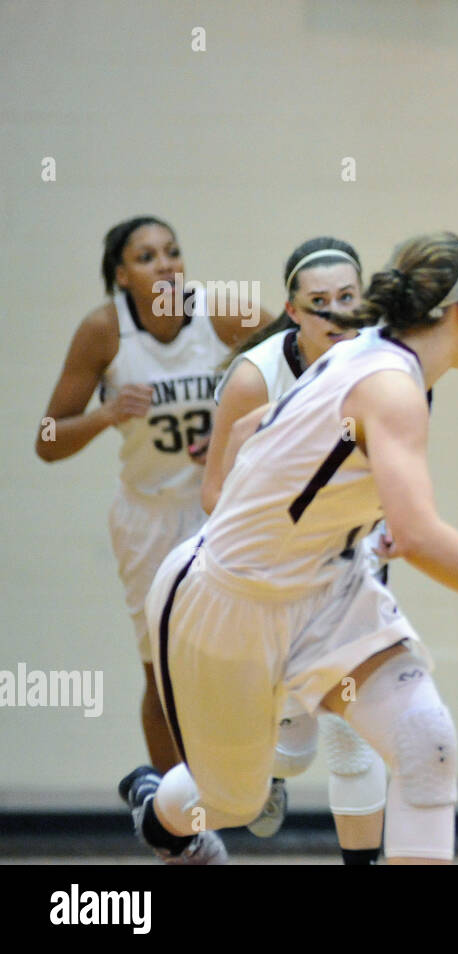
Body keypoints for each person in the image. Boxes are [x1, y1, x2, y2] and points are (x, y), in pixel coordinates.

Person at [120, 232, 458, 864]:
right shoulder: (390, 385)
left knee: (426, 742)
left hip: (328, 588)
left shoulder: (372, 354)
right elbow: (418, 536)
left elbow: (258, 427)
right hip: (228, 596)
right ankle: (158, 810)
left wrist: (333, 509)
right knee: (234, 801)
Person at [35, 216, 270, 772]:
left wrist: (238, 431)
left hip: (220, 510)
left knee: (245, 654)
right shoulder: (103, 331)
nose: (165, 264)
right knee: (161, 671)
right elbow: (47, 441)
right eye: (147, 257)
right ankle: (175, 822)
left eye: (172, 251)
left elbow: (300, 373)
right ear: (121, 275)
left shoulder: (223, 311)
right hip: (147, 516)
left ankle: (257, 776)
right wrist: (106, 414)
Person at [203, 237, 391, 864]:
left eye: (347, 298)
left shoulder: (387, 365)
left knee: (351, 734)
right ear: (291, 310)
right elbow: (214, 497)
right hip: (273, 575)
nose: (335, 313)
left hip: (355, 564)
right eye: (319, 303)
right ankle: (218, 790)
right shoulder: (256, 377)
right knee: (297, 737)